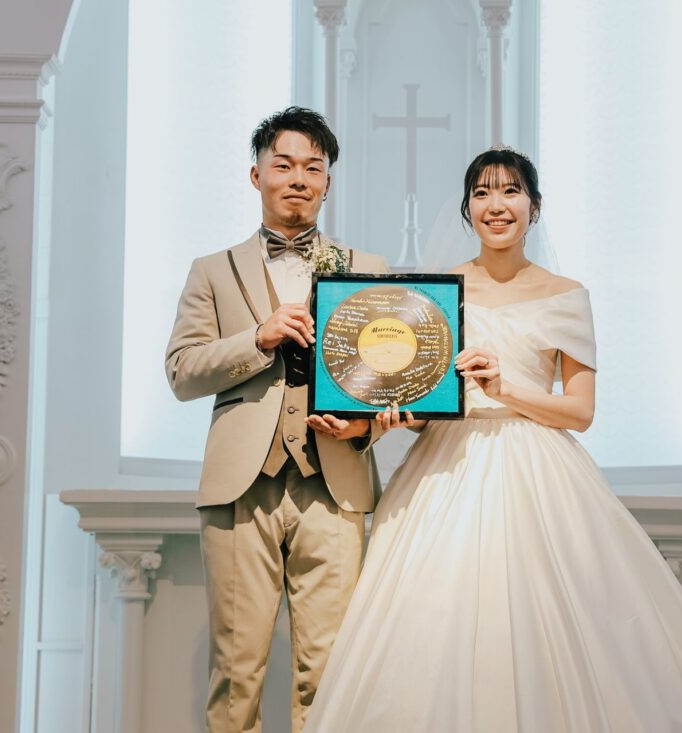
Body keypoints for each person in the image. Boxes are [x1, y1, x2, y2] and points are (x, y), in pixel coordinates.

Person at [303, 147, 682, 732]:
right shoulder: (434, 292)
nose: (496, 205)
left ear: (535, 206)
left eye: (510, 191)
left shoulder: (566, 294)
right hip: (445, 468)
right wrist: (390, 418)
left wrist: (506, 390)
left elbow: (580, 412)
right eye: (482, 193)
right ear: (467, 210)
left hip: (538, 468)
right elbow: (424, 400)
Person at [165, 106, 388, 733]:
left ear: (328, 182)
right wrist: (257, 339)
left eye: (313, 168)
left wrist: (365, 429)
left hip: (334, 484)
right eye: (284, 165)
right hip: (241, 486)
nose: (298, 179)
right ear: (256, 174)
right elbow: (181, 372)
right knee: (236, 674)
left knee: (329, 673)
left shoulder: (368, 269)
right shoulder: (211, 270)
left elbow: (389, 383)